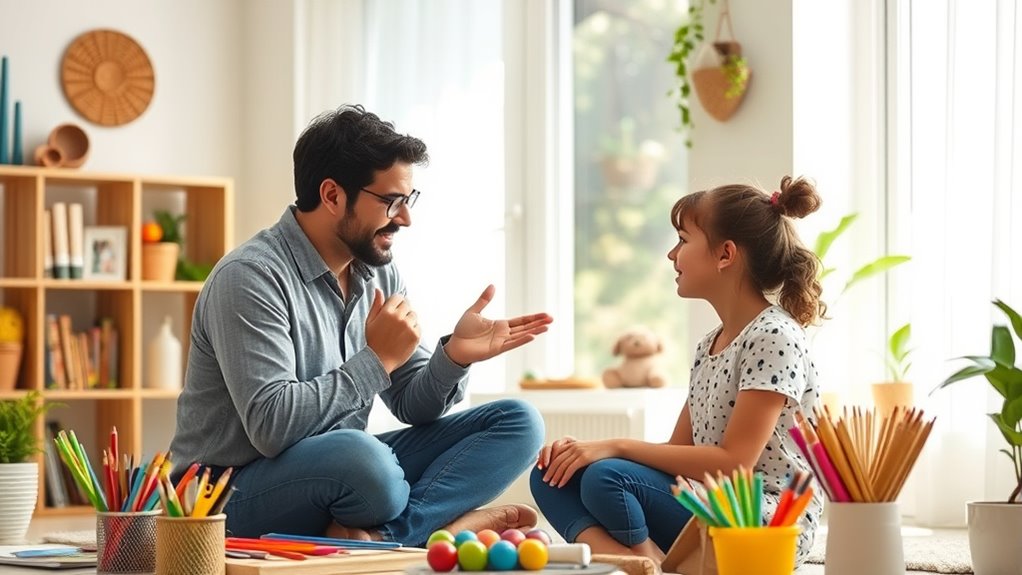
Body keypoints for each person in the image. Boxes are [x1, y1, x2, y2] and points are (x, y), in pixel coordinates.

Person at [170, 104, 553, 546]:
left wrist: (453, 359)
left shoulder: (379, 272)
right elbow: (272, 428)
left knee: (519, 422)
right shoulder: (250, 277)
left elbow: (412, 403)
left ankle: (387, 535)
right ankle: (428, 527)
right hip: (222, 495)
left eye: (408, 200)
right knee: (366, 462)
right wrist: (378, 360)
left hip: (339, 471)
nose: (405, 218)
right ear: (332, 196)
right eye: (391, 202)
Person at [530, 176, 825, 566]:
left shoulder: (774, 336)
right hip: (704, 499)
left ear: (725, 255)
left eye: (683, 240)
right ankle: (639, 562)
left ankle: (644, 560)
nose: (672, 254)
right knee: (552, 473)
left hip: (765, 520)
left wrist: (614, 446)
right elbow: (676, 453)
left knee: (607, 477)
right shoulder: (708, 346)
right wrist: (586, 452)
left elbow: (735, 462)